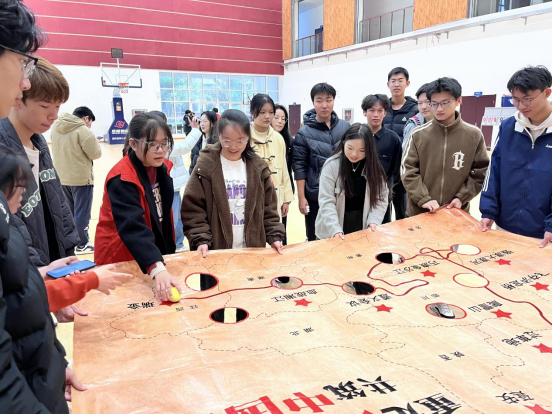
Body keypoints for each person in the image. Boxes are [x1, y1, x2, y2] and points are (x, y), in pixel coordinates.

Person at [0, 57, 80, 268]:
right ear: (18, 99)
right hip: (29, 272)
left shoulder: (40, 143)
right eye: (45, 106)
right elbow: (10, 228)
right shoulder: (3, 152)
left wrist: (69, 252)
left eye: (58, 106)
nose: (54, 115)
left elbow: (58, 202)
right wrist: (38, 271)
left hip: (53, 264)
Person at [95, 113, 181, 302]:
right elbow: (132, 226)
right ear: (133, 144)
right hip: (121, 256)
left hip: (150, 256)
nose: (161, 150)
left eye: (164, 143)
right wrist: (156, 267)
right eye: (152, 145)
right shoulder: (121, 178)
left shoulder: (161, 168)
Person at [182, 110, 285, 257]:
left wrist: (274, 236)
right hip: (215, 251)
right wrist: (201, 239)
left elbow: (269, 208)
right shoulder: (205, 166)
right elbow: (193, 208)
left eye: (240, 140)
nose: (233, 146)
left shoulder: (258, 168)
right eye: (227, 140)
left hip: (252, 251)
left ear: (248, 138)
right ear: (219, 135)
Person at [480, 66, 553, 248]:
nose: (521, 106)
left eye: (527, 99)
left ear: (547, 92)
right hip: (505, 225)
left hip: (544, 232)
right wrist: (488, 210)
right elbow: (494, 171)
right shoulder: (508, 127)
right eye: (516, 99)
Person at [402, 78, 490, 217]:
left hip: (456, 211)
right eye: (434, 104)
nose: (439, 109)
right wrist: (423, 198)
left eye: (445, 103)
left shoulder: (474, 135)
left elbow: (481, 171)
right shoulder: (418, 134)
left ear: (458, 100)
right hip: (420, 212)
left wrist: (462, 197)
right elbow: (407, 170)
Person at [292, 83, 350, 242]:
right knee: (314, 237)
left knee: (343, 236)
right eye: (319, 100)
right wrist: (301, 197)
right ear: (313, 102)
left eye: (328, 100)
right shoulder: (303, 133)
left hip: (343, 193)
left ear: (333, 101)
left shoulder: (345, 127)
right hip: (315, 195)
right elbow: (299, 166)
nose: (324, 105)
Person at [316, 123, 388, 240]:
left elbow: (381, 198)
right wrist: (334, 229)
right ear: (343, 142)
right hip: (332, 228)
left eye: (362, 150)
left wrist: (374, 220)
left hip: (362, 225)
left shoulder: (374, 168)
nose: (354, 154)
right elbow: (326, 201)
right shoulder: (331, 166)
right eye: (350, 148)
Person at [51, 106, 101, 255]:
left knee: (69, 213)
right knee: (82, 214)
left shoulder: (56, 127)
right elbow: (96, 154)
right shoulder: (83, 130)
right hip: (80, 179)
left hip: (62, 178)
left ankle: (71, 242)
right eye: (90, 122)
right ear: (86, 118)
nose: (90, 125)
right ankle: (82, 244)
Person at [151, 111, 202, 253]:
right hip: (170, 184)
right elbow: (184, 147)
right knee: (172, 216)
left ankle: (178, 242)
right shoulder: (160, 143)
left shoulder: (163, 139)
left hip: (174, 185)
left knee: (177, 216)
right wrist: (195, 129)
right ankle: (173, 243)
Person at [250, 94, 294, 240]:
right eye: (262, 112)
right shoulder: (244, 136)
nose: (267, 116)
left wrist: (286, 199)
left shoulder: (278, 138)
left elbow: (284, 171)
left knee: (275, 237)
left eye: (270, 112)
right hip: (251, 197)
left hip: (275, 197)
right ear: (252, 113)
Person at [383, 67, 419, 221]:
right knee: (382, 212)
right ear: (388, 84)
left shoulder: (415, 109)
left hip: (404, 169)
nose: (396, 84)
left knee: (402, 213)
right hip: (383, 168)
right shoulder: (382, 108)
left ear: (407, 83)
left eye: (400, 81)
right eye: (393, 81)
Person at [362, 94, 402, 224]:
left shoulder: (393, 139)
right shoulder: (357, 136)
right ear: (364, 112)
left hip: (381, 196)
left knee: (381, 230)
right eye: (372, 110)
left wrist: (387, 189)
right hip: (359, 195)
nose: (376, 115)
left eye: (380, 111)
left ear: (385, 113)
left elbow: (396, 171)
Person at [272, 104, 295, 245]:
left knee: (281, 226)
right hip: (267, 189)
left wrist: (287, 199)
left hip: (283, 190)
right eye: (276, 117)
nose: (280, 121)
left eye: (283, 118)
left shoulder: (289, 141)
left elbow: (289, 171)